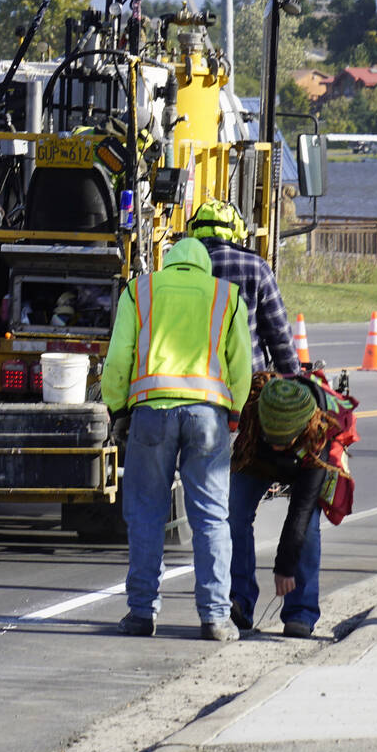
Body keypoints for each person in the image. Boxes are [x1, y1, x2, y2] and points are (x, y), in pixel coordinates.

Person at [100, 235, 253, 640]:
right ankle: (216, 618)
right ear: (204, 267)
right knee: (210, 517)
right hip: (208, 416)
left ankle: (141, 613)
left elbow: (118, 359)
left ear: (170, 263)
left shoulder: (142, 290)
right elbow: (241, 365)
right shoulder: (226, 295)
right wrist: (233, 415)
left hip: (151, 412)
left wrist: (118, 409)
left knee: (146, 514)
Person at [229, 374, 352, 638]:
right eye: (271, 437)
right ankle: (239, 600)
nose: (276, 445)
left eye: (282, 440)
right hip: (255, 458)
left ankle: (301, 612)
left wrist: (284, 568)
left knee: (306, 530)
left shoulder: (319, 436)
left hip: (303, 462)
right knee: (234, 515)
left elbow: (300, 512)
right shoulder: (252, 415)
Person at [187, 198, 300, 376]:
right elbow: (279, 333)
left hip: (192, 380)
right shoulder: (256, 268)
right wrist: (293, 378)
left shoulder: (180, 269)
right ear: (237, 230)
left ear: (193, 230)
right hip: (246, 382)